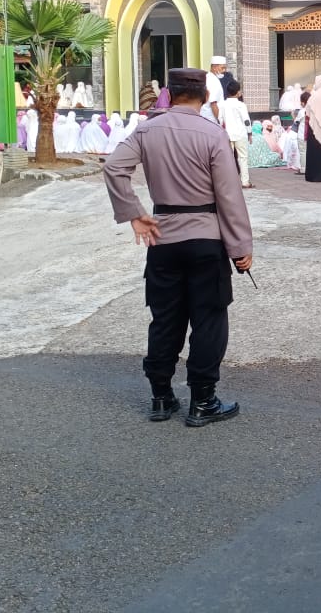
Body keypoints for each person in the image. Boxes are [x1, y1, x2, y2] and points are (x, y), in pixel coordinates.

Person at [103, 67, 252, 426]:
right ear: (203, 96)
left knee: (165, 319)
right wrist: (240, 247)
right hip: (206, 238)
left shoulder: (146, 130)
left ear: (170, 93)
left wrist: (134, 214)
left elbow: (113, 167)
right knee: (209, 320)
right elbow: (229, 197)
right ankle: (203, 401)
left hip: (163, 238)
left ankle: (161, 397)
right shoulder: (212, 134)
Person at [220, 79, 253, 188]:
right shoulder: (241, 105)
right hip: (240, 134)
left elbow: (220, 120)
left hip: (227, 135)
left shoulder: (223, 104)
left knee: (228, 159)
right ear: (238, 92)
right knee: (243, 158)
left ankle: (229, 182)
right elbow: (247, 120)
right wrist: (250, 133)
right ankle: (245, 182)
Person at [202, 56, 227, 124]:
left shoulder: (210, 77)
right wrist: (220, 121)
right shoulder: (212, 81)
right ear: (214, 67)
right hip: (211, 119)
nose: (224, 70)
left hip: (207, 118)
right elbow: (213, 103)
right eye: (222, 68)